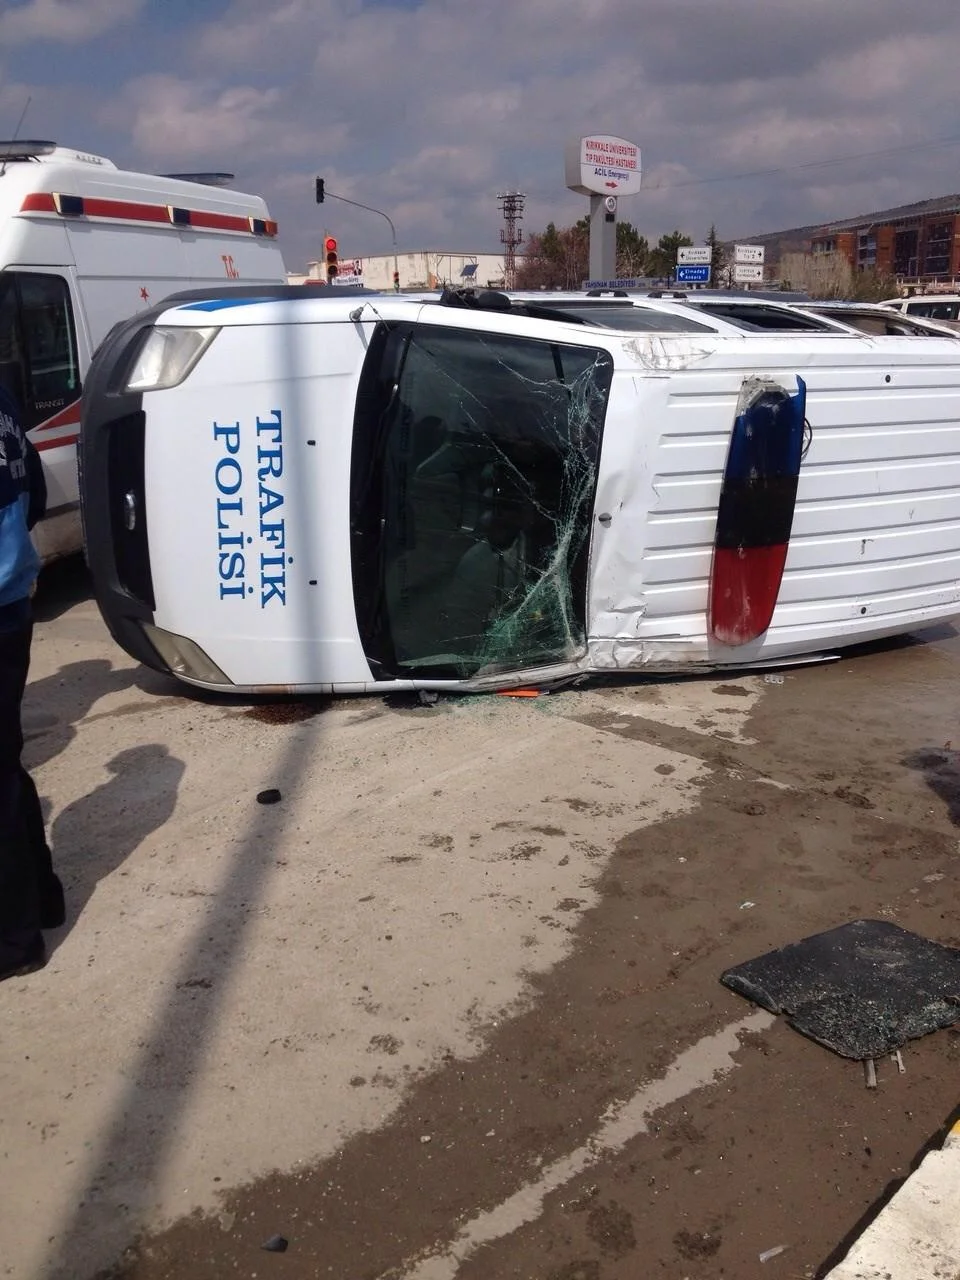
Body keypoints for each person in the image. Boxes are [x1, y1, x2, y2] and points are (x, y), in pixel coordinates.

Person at [0, 381, 64, 980]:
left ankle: (16, 941)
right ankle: (42, 899)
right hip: (12, 595)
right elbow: (36, 489)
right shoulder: (6, 400)